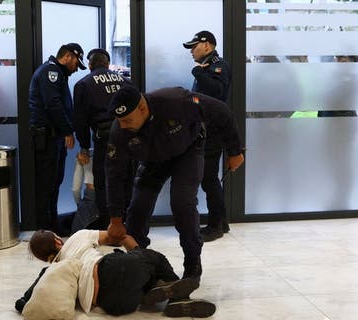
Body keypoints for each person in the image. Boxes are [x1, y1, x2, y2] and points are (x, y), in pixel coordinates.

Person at [105, 85, 245, 283]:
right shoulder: (120, 131)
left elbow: (220, 110)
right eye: (119, 121)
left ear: (143, 109)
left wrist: (234, 150)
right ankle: (139, 264)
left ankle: (192, 265)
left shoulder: (176, 101)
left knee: (182, 202)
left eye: (127, 120)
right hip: (153, 160)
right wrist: (116, 219)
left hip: (187, 151)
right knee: (137, 208)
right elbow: (114, 174)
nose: (123, 125)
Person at [17, 229, 216, 318]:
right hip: (110, 270)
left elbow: (24, 301)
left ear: (45, 259)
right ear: (58, 241)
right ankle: (175, 297)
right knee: (154, 259)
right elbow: (116, 235)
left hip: (113, 304)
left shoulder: (51, 272)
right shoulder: (77, 237)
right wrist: (138, 251)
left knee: (144, 280)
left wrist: (23, 303)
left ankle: (159, 291)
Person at [73, 48, 134, 229]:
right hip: (128, 138)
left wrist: (84, 146)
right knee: (126, 179)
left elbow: (80, 120)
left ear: (90, 65)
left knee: (103, 181)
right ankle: (127, 221)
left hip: (105, 140)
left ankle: (109, 224)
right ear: (108, 64)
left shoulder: (83, 84)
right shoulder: (125, 81)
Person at [29, 43, 86, 232]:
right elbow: (52, 104)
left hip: (54, 137)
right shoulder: (50, 72)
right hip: (47, 138)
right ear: (68, 56)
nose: (76, 68)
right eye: (77, 62)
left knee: (54, 182)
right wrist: (68, 131)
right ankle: (43, 230)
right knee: (46, 185)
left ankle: (51, 226)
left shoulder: (57, 73)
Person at [183, 30, 233, 242]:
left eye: (194, 47)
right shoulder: (207, 67)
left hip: (214, 130)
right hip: (205, 129)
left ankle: (215, 226)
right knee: (209, 179)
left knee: (209, 179)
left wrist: (198, 73)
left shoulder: (218, 65)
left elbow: (217, 91)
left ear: (207, 45)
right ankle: (221, 222)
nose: (192, 51)